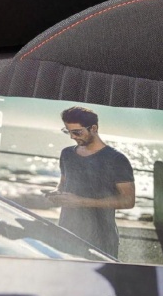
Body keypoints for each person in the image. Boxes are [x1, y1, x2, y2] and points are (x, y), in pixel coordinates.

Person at [45, 106, 135, 258]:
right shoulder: (67, 153)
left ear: (93, 128)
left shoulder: (116, 159)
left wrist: (81, 202)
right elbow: (63, 183)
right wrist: (56, 194)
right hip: (66, 232)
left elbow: (128, 200)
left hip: (101, 240)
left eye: (77, 132)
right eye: (68, 131)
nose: (72, 137)